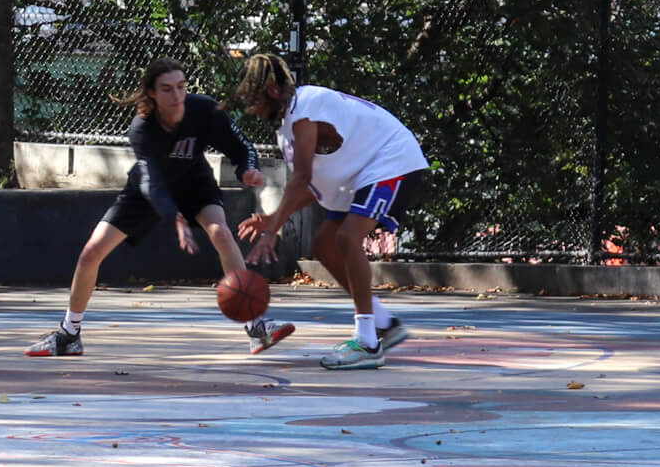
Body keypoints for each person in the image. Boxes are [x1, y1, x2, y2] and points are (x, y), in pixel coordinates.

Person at [25, 60, 293, 358]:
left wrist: (248, 170)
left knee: (221, 234)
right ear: (152, 93)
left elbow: (242, 147)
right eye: (167, 89)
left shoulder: (204, 109)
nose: (177, 95)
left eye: (181, 87)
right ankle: (69, 334)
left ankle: (257, 327)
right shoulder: (142, 129)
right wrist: (173, 216)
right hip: (147, 191)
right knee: (91, 253)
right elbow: (153, 184)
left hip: (195, 183)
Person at [233, 51, 429, 370]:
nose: (250, 108)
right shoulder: (288, 129)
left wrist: (273, 229)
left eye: (252, 98)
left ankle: (368, 342)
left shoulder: (305, 106)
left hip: (390, 158)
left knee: (348, 239)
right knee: (324, 245)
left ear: (269, 88)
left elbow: (303, 178)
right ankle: (384, 322)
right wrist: (273, 219)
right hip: (361, 171)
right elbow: (313, 185)